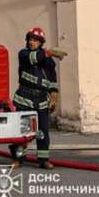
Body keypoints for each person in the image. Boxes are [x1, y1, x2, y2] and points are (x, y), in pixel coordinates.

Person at [10, 27, 62, 170]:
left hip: (41, 100)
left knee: (43, 131)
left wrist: (54, 94)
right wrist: (48, 52)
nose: (33, 42)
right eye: (31, 40)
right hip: (25, 98)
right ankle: (18, 158)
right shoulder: (24, 54)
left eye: (36, 40)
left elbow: (52, 78)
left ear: (40, 43)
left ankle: (43, 160)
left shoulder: (48, 60)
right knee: (22, 130)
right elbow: (34, 58)